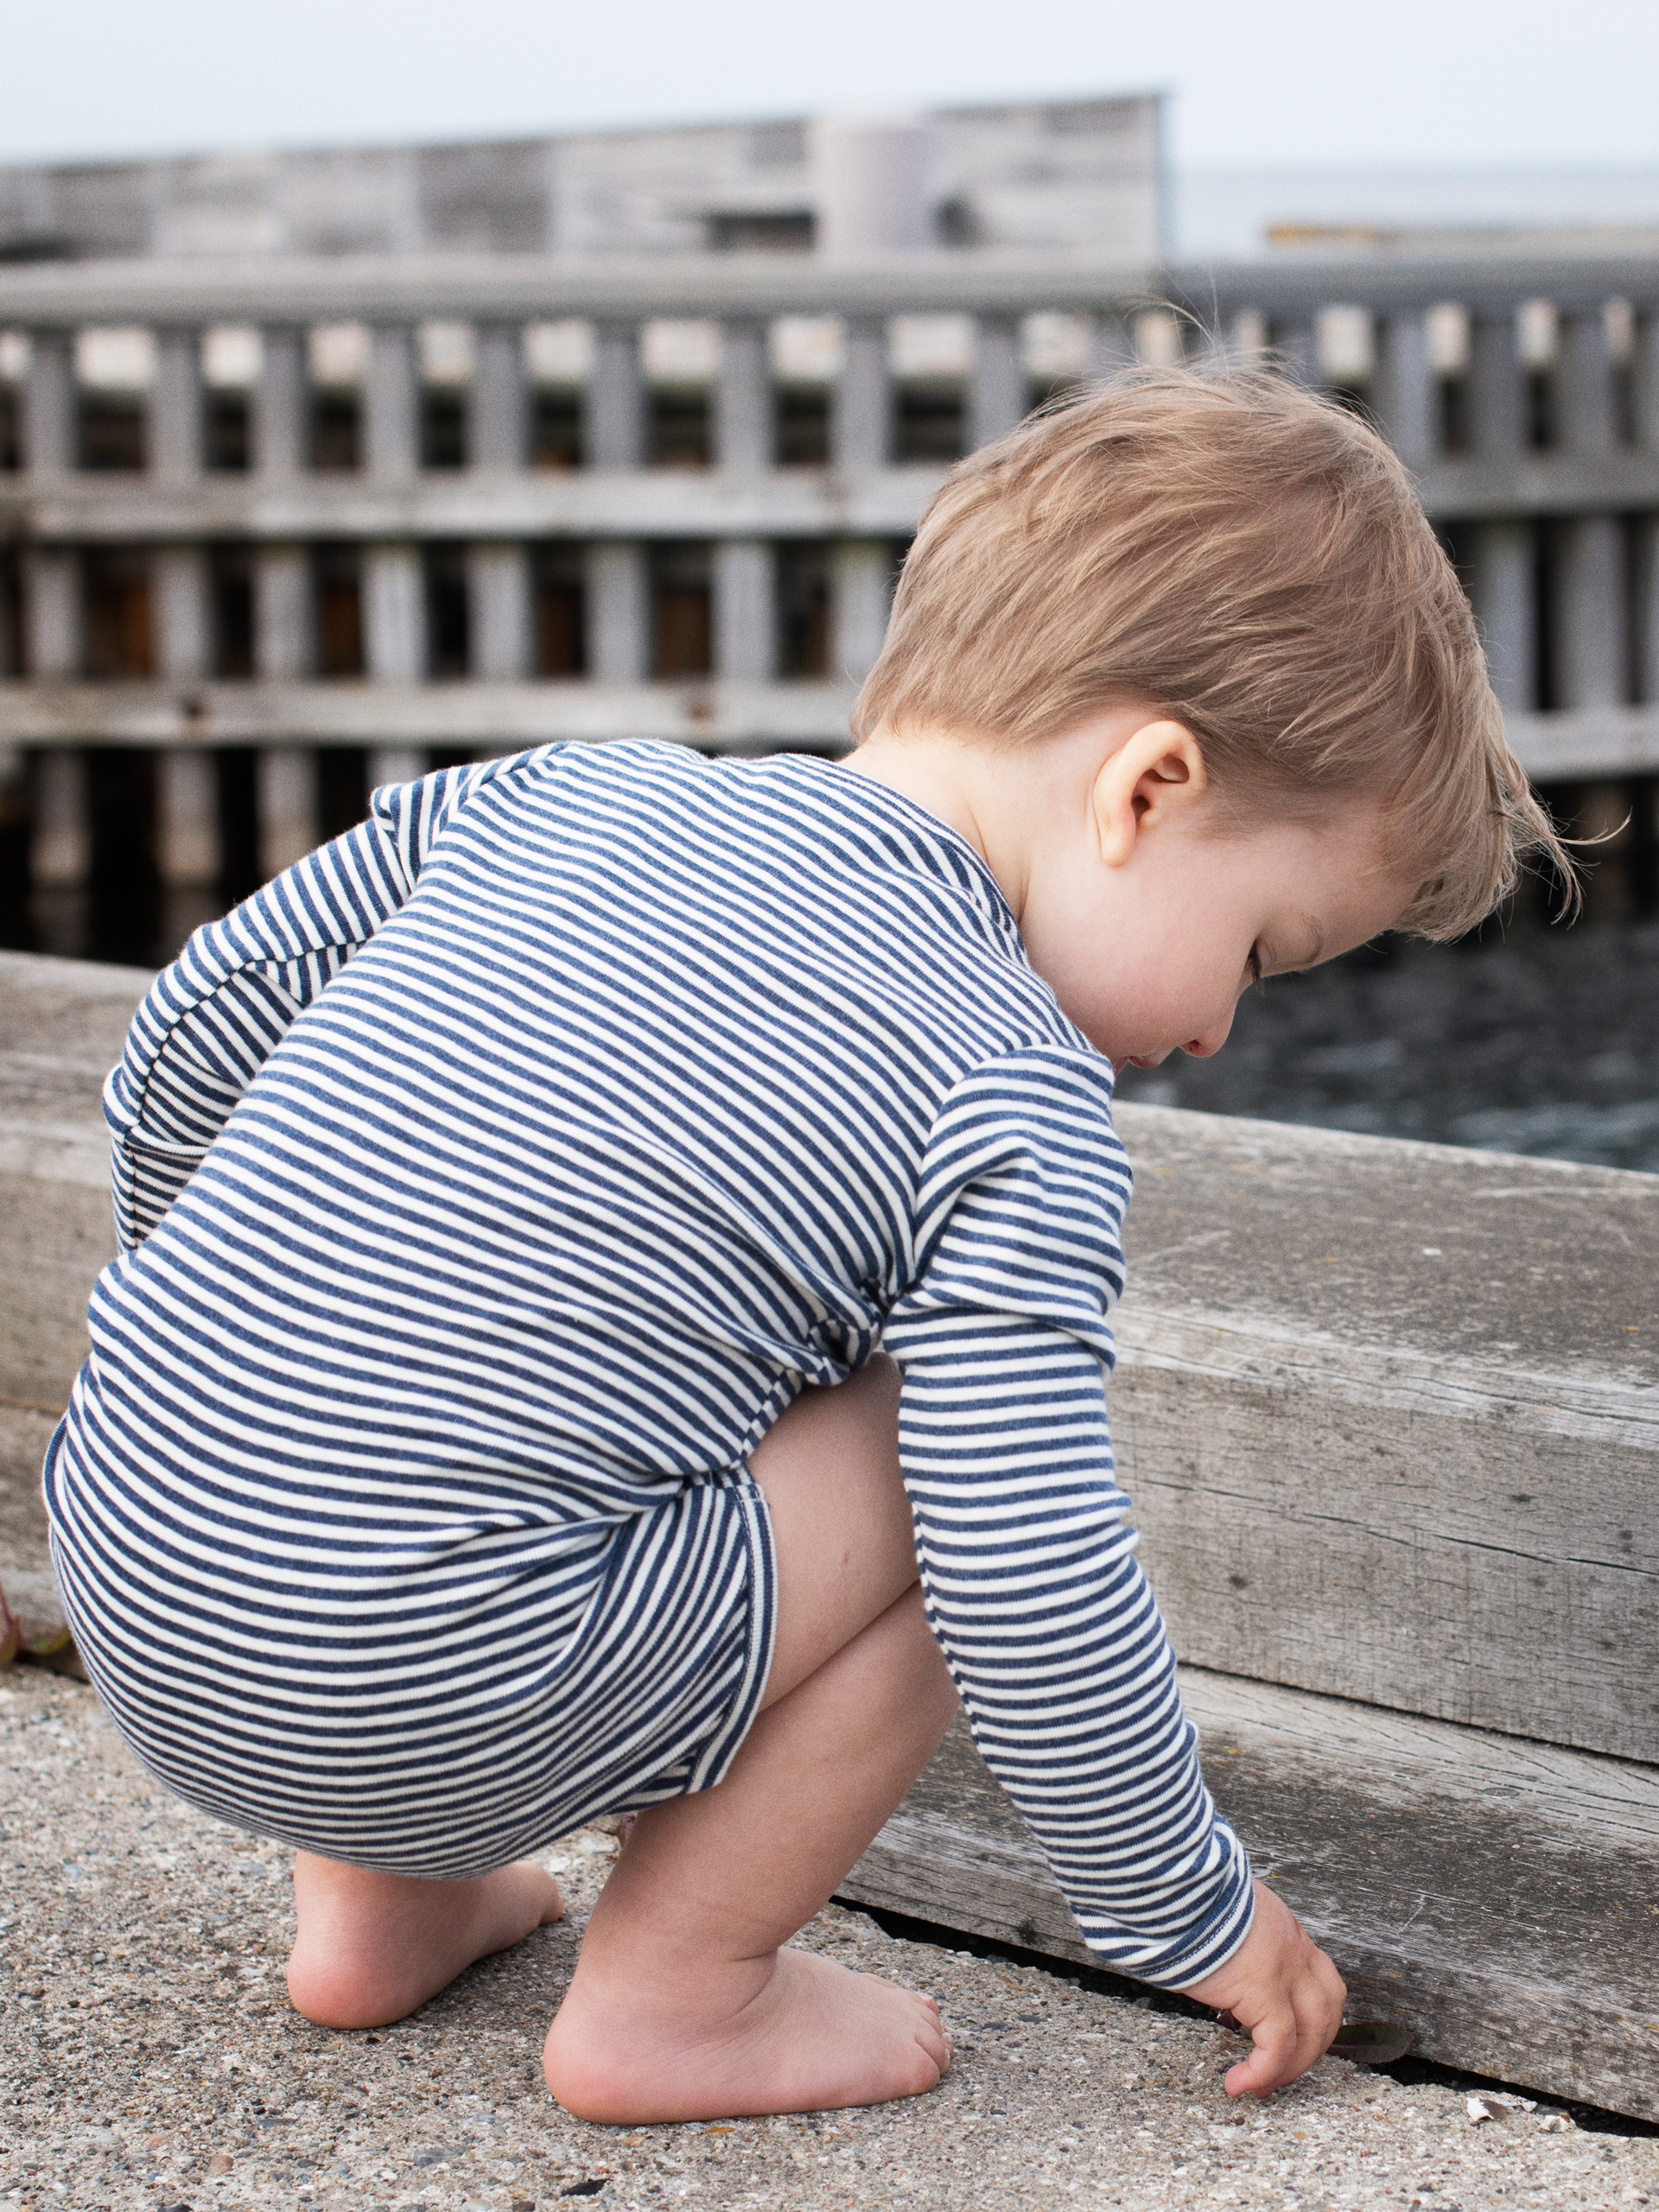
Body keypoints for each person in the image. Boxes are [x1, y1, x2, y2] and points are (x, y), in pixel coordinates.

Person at [42, 368, 1567, 2126]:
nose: (1221, 1031)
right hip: (428, 1693)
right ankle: (678, 1999)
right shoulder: (1007, 1080)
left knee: (447, 1384)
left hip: (138, 1596)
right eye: (1264, 950)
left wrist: (222, 1355)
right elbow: (1029, 1566)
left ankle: (388, 1904)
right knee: (945, 1456)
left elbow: (193, 1027)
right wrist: (1189, 1899)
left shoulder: (561, 796)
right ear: (1146, 788)